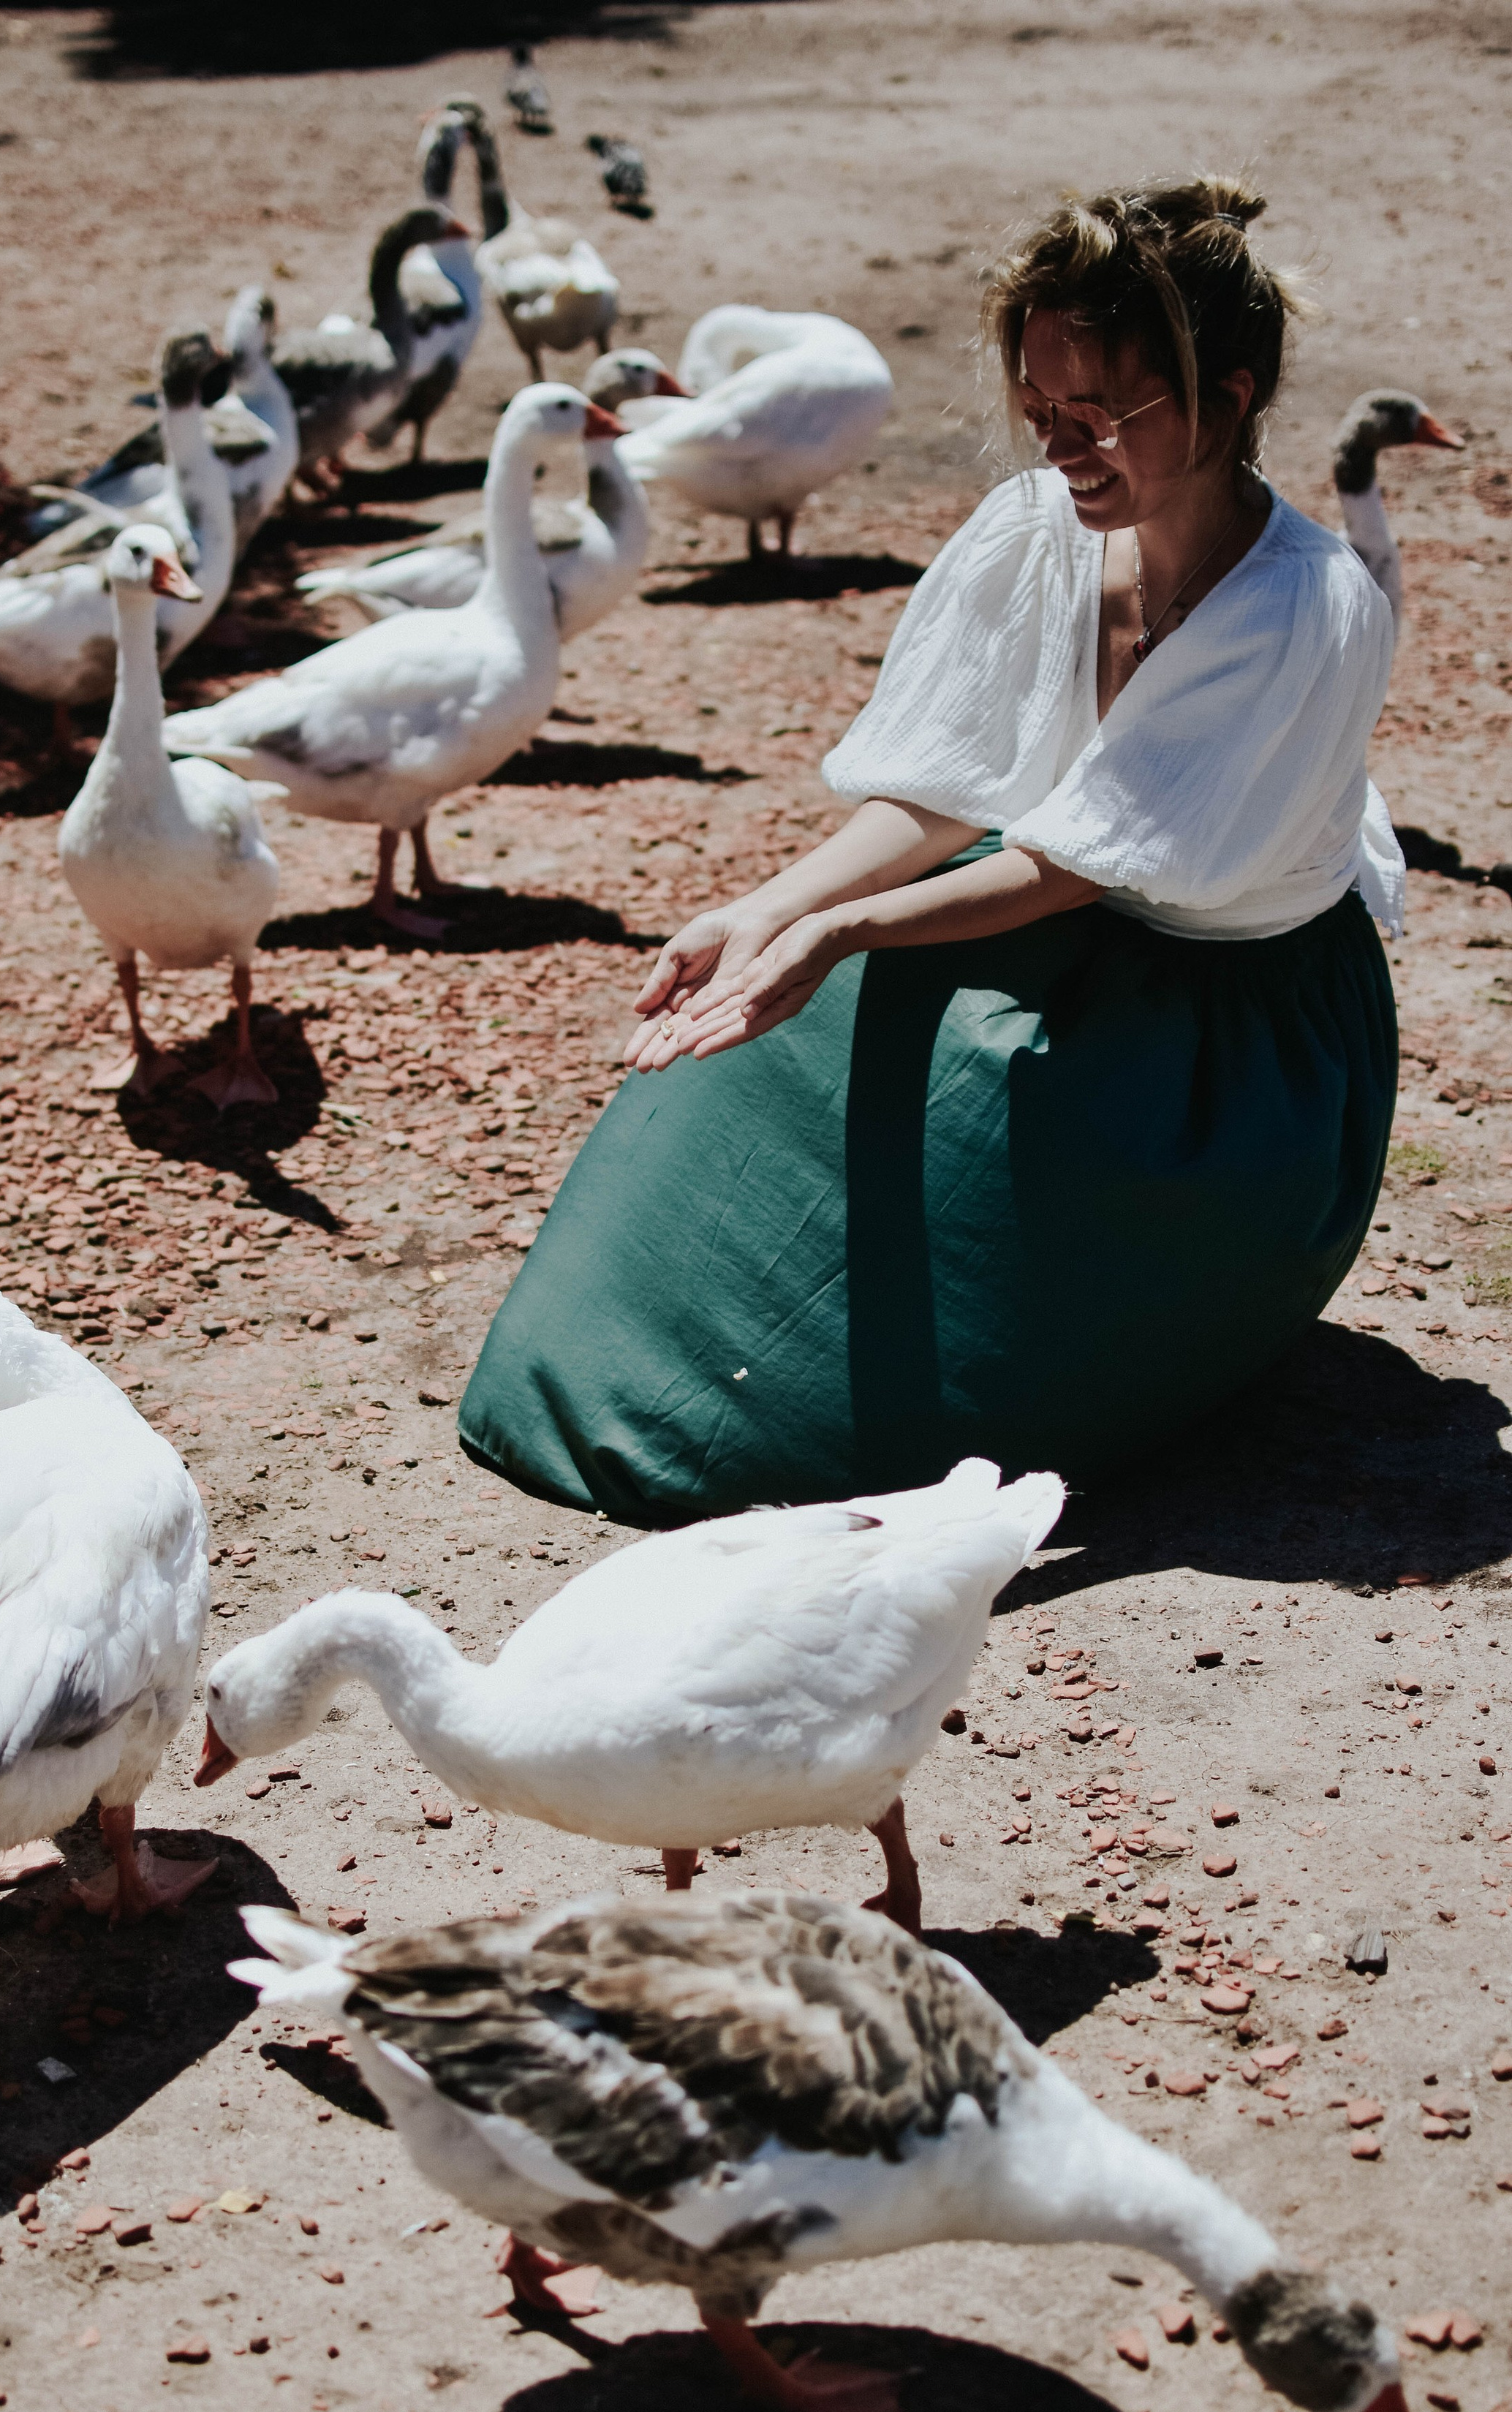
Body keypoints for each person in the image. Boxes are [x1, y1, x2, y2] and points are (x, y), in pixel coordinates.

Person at [459, 176, 1402, 1529]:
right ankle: (646, 1375)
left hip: (1230, 1048)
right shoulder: (1038, 533)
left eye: (1101, 416)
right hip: (1076, 923)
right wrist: (765, 906)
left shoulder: (1307, 606)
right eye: (1041, 411)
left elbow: (1080, 863)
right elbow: (943, 802)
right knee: (772, 1034)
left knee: (872, 1030)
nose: (1064, 446)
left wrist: (839, 935)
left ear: (1231, 395)